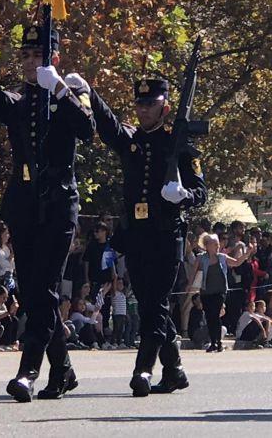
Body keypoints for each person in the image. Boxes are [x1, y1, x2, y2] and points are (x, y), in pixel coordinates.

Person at [0, 26, 95, 402]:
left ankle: (28, 371)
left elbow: (87, 128)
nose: (31, 63)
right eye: (26, 57)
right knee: (35, 293)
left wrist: (61, 90)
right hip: (24, 206)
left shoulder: (71, 93)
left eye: (38, 56)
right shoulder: (20, 102)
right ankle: (62, 369)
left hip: (58, 205)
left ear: (54, 59)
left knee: (43, 288)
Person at [71, 73, 207, 396]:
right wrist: (90, 92)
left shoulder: (180, 144)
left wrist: (183, 195)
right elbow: (108, 126)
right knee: (149, 305)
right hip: (136, 238)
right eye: (140, 103)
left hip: (166, 236)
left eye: (151, 104)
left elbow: (201, 192)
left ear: (165, 106)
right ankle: (173, 370)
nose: (143, 110)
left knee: (156, 302)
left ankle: (143, 369)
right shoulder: (131, 142)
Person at [189, 233, 254, 353]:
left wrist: (247, 253)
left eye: (218, 243)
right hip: (205, 291)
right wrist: (190, 286)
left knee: (215, 315)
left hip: (219, 291)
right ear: (207, 245)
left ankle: (216, 342)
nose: (217, 246)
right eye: (215, 244)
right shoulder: (200, 258)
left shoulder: (222, 257)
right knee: (209, 316)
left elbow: (236, 262)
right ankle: (214, 342)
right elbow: (193, 272)